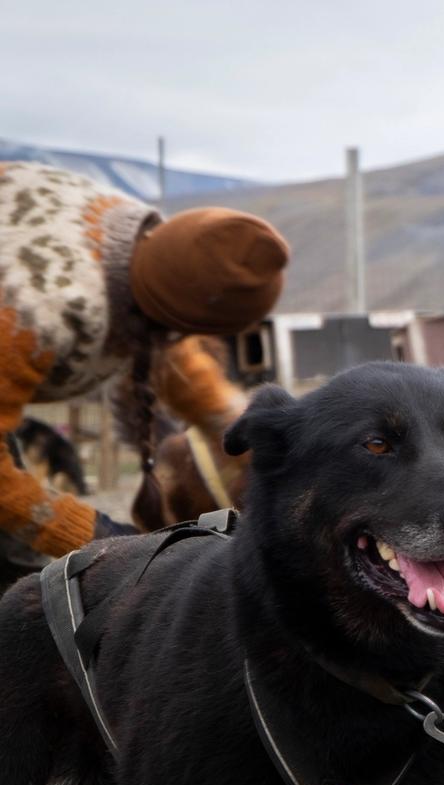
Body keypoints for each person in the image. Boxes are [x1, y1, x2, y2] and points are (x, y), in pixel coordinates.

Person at [0, 161, 288, 573]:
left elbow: (178, 361)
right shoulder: (39, 309)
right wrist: (93, 533)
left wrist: (252, 445)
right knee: (19, 564)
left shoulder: (149, 250)